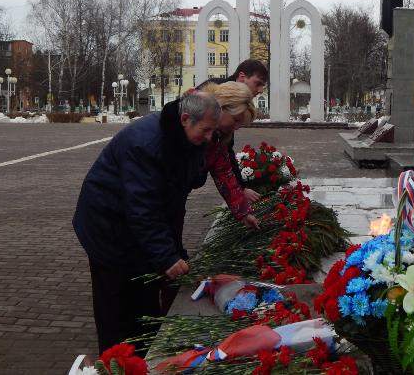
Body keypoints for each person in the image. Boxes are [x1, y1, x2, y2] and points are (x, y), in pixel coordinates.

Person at [72, 92, 221, 354]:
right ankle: (116, 362)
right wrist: (166, 256)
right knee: (117, 308)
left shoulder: (187, 140)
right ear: (186, 119)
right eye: (206, 130)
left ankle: (144, 354)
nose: (209, 138)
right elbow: (144, 209)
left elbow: (175, 201)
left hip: (133, 226)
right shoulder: (146, 144)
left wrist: (174, 254)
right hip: (107, 227)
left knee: (145, 300)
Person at [197, 59, 268, 203]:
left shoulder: (236, 100)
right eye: (258, 83)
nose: (260, 90)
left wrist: (240, 189)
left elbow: (225, 151)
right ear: (242, 77)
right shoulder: (214, 93)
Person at [200, 81, 260, 229]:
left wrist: (244, 214)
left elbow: (225, 174)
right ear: (222, 107)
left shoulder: (218, 138)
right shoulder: (194, 126)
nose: (237, 127)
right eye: (236, 120)